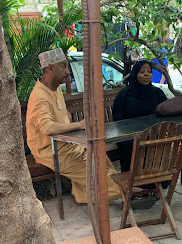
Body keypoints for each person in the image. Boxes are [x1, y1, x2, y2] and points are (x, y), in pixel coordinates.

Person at [26, 48, 121, 204]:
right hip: (51, 151)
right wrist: (80, 124)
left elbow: (64, 117)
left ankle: (88, 195)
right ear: (50, 68)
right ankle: (129, 190)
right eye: (63, 66)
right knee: (96, 174)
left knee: (100, 158)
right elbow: (48, 128)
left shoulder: (55, 89)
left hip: (68, 143)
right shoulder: (40, 96)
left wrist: (71, 123)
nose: (68, 71)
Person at [112, 60, 168, 173]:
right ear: (135, 73)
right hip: (129, 136)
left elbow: (166, 113)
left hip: (153, 134)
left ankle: (155, 182)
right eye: (142, 71)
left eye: (149, 71)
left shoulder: (158, 93)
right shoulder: (125, 94)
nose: (146, 74)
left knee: (158, 143)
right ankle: (132, 182)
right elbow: (117, 117)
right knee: (129, 146)